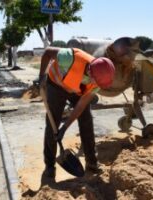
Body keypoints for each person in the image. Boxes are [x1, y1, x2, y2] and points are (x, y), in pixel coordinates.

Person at [37, 47, 115, 178]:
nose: (97, 86)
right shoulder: (71, 58)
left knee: (86, 120)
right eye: (96, 82)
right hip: (56, 84)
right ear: (90, 72)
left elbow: (80, 106)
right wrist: (41, 76)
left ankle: (91, 162)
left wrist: (64, 128)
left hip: (77, 89)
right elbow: (48, 52)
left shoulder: (98, 80)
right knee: (52, 124)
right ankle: (49, 166)